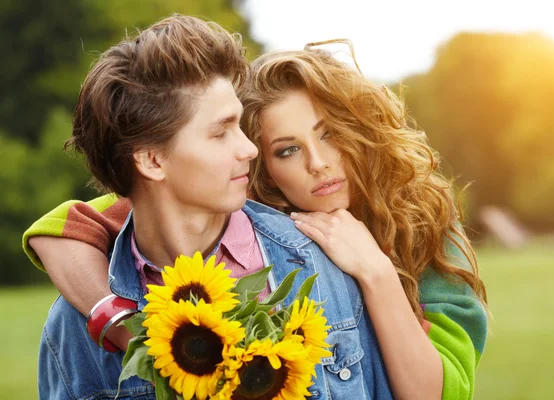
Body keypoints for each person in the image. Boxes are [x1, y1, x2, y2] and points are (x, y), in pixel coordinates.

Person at [24, 37, 487, 400]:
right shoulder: (238, 199)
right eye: (286, 149)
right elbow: (75, 225)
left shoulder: (422, 225)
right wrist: (118, 321)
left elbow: (441, 392)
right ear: (262, 167)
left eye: (331, 135)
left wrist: (378, 272)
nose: (319, 163)